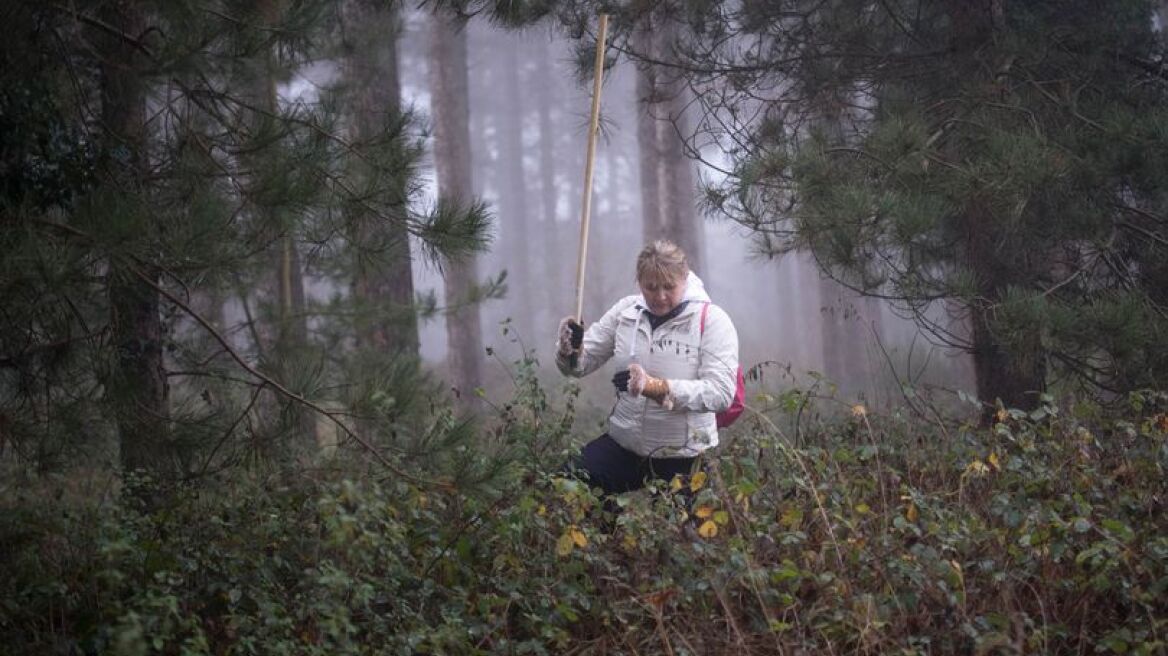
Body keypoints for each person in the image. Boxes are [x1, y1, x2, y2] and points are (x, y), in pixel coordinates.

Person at [555, 240, 740, 496]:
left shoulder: (712, 320)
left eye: (669, 287)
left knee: (677, 533)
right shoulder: (626, 312)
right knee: (568, 481)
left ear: (684, 279)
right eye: (651, 287)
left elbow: (721, 394)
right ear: (639, 282)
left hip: (683, 454)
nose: (660, 296)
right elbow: (579, 365)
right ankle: (610, 535)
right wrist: (570, 350)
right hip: (625, 445)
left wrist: (655, 387)